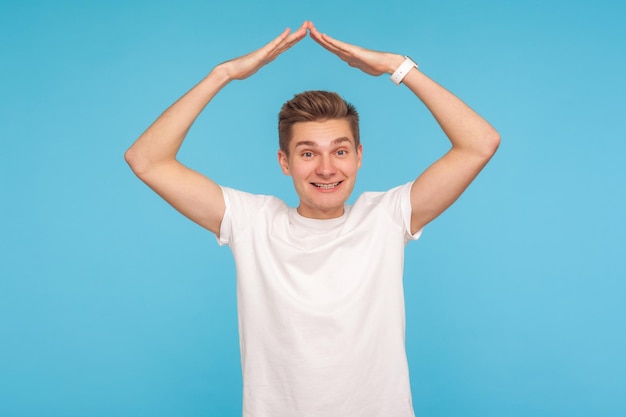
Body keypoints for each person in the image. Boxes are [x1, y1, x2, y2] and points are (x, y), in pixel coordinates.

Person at [125, 21, 499, 417]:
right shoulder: (253, 222)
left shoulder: (386, 218)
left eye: (339, 151)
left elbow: (479, 143)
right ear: (284, 162)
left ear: (359, 155)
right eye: (307, 153)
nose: (325, 168)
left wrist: (396, 67)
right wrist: (225, 74)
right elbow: (146, 159)